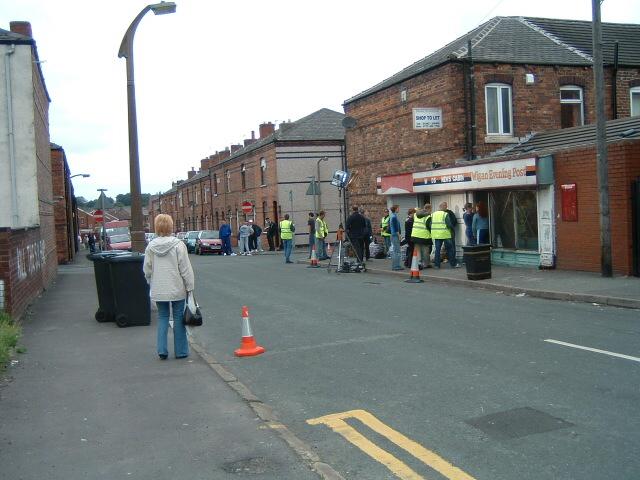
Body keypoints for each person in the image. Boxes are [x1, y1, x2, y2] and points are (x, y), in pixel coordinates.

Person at [143, 214, 194, 360]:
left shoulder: (151, 247)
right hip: (176, 287)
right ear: (170, 226)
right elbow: (185, 268)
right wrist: (190, 286)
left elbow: (147, 268)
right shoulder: (178, 245)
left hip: (159, 288)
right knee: (178, 318)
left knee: (163, 317)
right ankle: (181, 351)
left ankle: (162, 350)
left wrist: (149, 281)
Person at [429, 202, 460, 268]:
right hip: (445, 234)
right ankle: (453, 264)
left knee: (437, 250)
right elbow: (449, 224)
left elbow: (430, 224)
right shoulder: (445, 214)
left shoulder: (433, 214)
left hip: (437, 234)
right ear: (442, 206)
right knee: (450, 249)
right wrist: (452, 228)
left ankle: (437, 265)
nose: (446, 207)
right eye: (445, 206)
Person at [412, 204, 433, 269]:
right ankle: (426, 264)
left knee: (417, 250)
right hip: (424, 236)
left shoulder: (415, 215)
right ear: (429, 209)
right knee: (425, 251)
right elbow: (429, 227)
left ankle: (418, 263)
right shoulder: (428, 217)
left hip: (415, 235)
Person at [389, 205, 403, 271]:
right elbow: (395, 228)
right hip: (395, 235)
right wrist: (399, 236)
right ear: (396, 209)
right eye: (398, 208)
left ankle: (396, 265)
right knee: (397, 251)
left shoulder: (392, 216)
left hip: (393, 235)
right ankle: (396, 266)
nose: (399, 209)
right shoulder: (394, 217)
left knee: (396, 250)